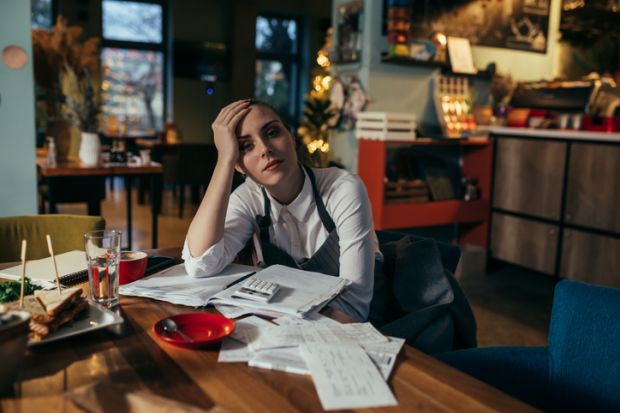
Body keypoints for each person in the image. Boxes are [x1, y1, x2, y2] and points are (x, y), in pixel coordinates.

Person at [182, 99, 380, 323]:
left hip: (361, 322)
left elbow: (353, 307)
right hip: (292, 322)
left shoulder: (343, 188)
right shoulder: (248, 199)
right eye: (246, 146)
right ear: (239, 165)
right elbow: (200, 264)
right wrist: (224, 160)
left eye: (273, 132)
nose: (265, 149)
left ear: (291, 137)